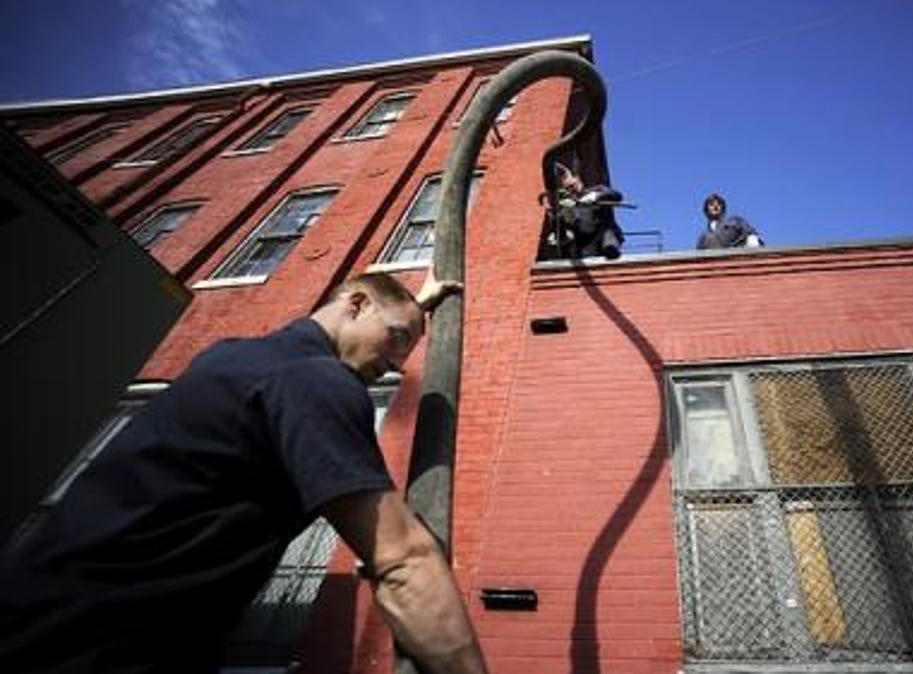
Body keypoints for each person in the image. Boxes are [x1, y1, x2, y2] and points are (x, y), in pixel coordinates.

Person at [0, 272, 488, 674]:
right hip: (101, 652)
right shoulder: (316, 379)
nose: (394, 364)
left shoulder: (233, 357)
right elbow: (402, 559)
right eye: (396, 339)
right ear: (355, 304)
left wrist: (414, 308)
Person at [542, 164, 625, 260]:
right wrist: (558, 213)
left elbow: (617, 196)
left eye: (573, 185)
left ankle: (611, 250)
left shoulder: (597, 189)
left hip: (605, 238)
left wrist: (596, 196)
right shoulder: (568, 206)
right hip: (586, 246)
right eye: (568, 188)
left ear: (578, 180)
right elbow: (561, 226)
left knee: (607, 232)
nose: (572, 189)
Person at [696, 192, 763, 250]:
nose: (715, 206)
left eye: (719, 204)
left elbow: (751, 234)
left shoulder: (735, 221)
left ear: (722, 208)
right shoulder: (704, 237)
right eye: (711, 205)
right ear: (706, 210)